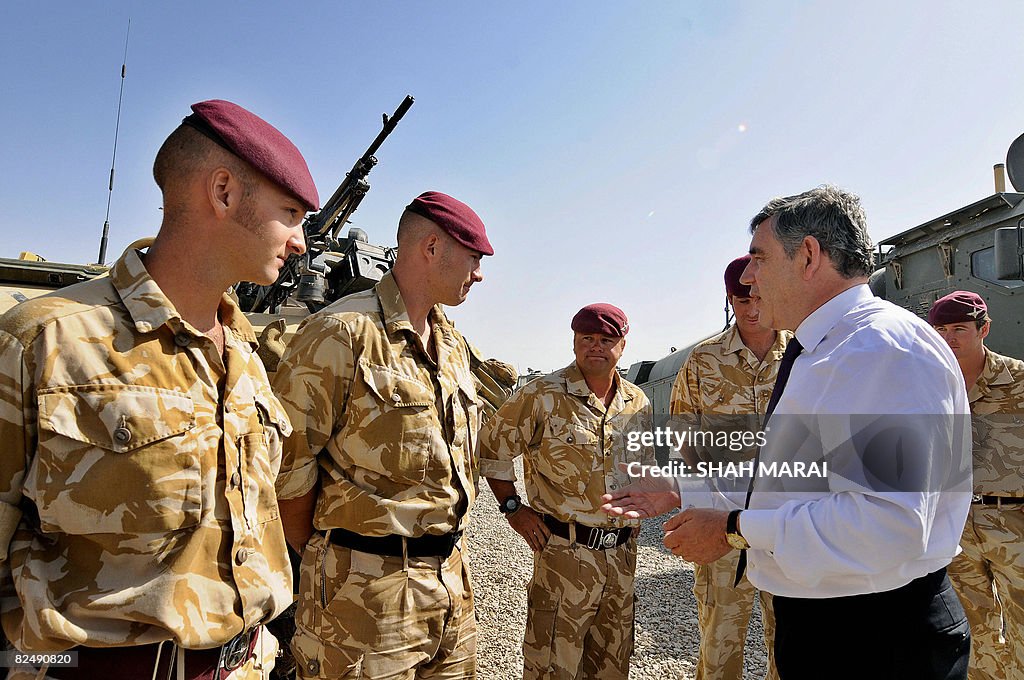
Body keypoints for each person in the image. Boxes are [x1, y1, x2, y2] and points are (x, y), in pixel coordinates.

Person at [0, 99, 317, 678]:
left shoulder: (245, 358)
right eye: (291, 212)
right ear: (222, 192)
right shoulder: (45, 343)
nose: (300, 241)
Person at [604, 186, 973, 680]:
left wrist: (734, 529)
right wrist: (683, 490)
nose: (749, 277)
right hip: (841, 623)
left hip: (875, 637)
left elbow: (890, 525)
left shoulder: (879, 351)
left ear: (809, 255)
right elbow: (803, 474)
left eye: (758, 257)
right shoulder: (829, 348)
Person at [272, 191, 491, 679]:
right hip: (363, 599)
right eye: (473, 258)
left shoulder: (451, 343)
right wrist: (339, 556)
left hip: (451, 586)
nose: (479, 274)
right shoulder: (341, 332)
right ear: (431, 247)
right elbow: (288, 466)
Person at [479, 303, 654, 680]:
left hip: (622, 560)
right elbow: (491, 448)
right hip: (564, 556)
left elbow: (642, 470)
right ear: (574, 341)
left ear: (623, 346)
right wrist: (513, 507)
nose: (595, 347)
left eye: (606, 340)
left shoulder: (637, 404)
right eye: (586, 338)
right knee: (553, 669)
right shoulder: (542, 395)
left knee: (611, 668)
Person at [669, 255, 788, 680]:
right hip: (722, 522)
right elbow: (684, 443)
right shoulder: (703, 362)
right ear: (729, 300)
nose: (752, 309)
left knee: (793, 646)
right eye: (741, 300)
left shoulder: (803, 354)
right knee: (721, 643)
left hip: (786, 523)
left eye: (759, 297)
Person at [930, 291, 1024, 680]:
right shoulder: (930, 386)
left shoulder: (1018, 381)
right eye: (941, 330)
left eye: (959, 329)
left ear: (983, 329)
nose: (949, 338)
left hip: (1012, 523)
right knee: (971, 632)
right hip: (954, 528)